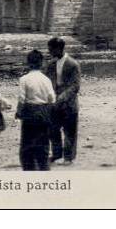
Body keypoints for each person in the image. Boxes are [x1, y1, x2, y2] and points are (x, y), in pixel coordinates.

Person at [15, 49, 55, 171]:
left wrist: (18, 112)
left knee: (27, 145)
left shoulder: (24, 79)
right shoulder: (46, 79)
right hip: (44, 112)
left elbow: (22, 99)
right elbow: (52, 98)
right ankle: (43, 168)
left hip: (30, 112)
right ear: (41, 63)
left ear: (28, 63)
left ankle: (29, 170)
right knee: (43, 144)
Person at [46, 37, 80, 166]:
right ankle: (56, 154)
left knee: (70, 131)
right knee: (53, 130)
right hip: (54, 103)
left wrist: (61, 97)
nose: (49, 52)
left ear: (59, 49)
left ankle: (68, 157)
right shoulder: (50, 64)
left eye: (51, 49)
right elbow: (46, 81)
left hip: (69, 103)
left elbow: (75, 86)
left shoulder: (73, 64)